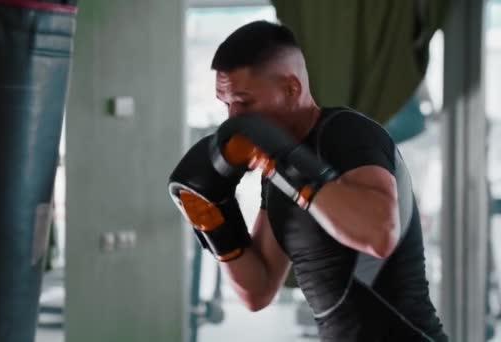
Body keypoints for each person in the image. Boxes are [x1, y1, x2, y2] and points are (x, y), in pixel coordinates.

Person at [168, 21, 448, 341]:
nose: (233, 119)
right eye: (226, 104)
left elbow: (380, 235)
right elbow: (258, 290)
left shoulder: (347, 134)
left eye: (244, 102)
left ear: (291, 88)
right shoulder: (277, 172)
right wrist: (215, 225)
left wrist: (280, 164)